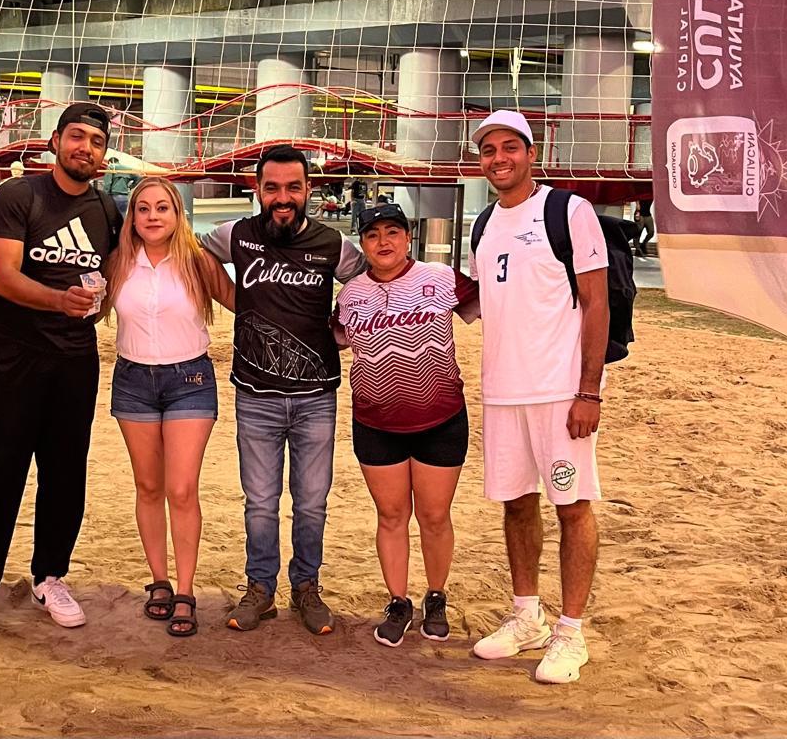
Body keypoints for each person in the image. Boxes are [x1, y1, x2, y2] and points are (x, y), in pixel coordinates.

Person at [0, 102, 122, 638]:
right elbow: (3, 277)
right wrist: (60, 302)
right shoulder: (18, 195)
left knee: (66, 473)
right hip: (12, 355)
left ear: (103, 154)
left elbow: (113, 279)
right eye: (76, 137)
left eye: (95, 141)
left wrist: (100, 305)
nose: (85, 148)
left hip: (75, 360)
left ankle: (51, 575)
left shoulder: (107, 209)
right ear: (54, 141)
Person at [467, 110, 609, 685]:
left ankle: (571, 633)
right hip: (502, 392)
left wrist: (588, 391)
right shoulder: (482, 223)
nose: (498, 158)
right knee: (516, 503)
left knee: (572, 507)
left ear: (531, 153)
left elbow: (597, 304)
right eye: (487, 150)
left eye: (509, 148)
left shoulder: (568, 211)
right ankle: (527, 614)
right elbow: (478, 301)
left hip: (559, 392)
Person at [202, 145, 364, 636]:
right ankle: (260, 589)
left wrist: (342, 329)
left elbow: (368, 286)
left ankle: (306, 587)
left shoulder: (333, 244)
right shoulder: (236, 235)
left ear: (309, 191)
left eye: (293, 187)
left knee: (312, 501)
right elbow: (195, 253)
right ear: (257, 190)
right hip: (255, 394)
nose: (283, 197)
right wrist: (236, 303)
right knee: (260, 502)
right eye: (272, 188)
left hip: (316, 396)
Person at [334, 201, 480, 647]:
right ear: (362, 242)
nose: (384, 242)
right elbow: (336, 340)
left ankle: (435, 596)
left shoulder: (440, 278)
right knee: (392, 515)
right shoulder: (351, 294)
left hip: (440, 417)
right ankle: (398, 601)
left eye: (393, 232)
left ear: (408, 238)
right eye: (373, 234)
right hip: (376, 421)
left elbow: (495, 307)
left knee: (434, 516)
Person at [104, 178, 233, 637]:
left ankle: (185, 589)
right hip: (133, 380)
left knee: (181, 488)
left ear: (178, 215)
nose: (153, 216)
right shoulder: (119, 262)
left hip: (189, 380)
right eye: (143, 209)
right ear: (132, 217)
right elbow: (88, 308)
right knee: (147, 485)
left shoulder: (198, 261)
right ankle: (158, 581)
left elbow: (242, 302)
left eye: (163, 207)